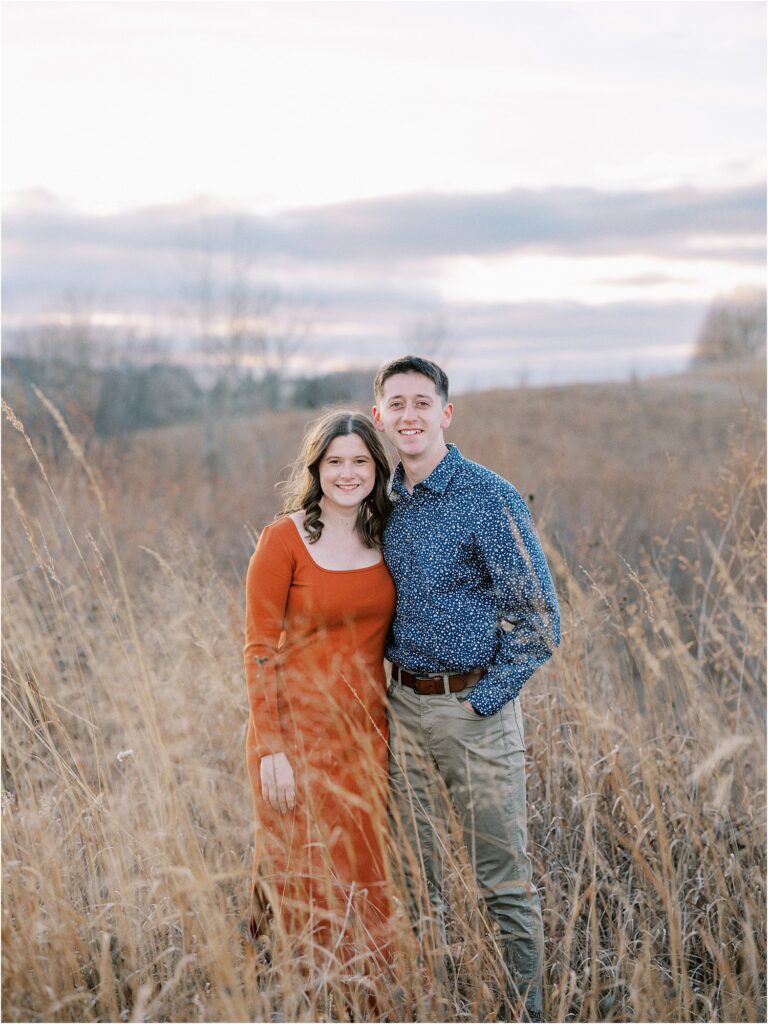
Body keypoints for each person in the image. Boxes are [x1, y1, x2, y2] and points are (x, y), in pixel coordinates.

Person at [372, 355, 560, 1022]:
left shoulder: (488, 496)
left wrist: (483, 699)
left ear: (445, 413)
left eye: (422, 403)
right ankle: (436, 1007)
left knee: (503, 884)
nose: (409, 415)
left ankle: (522, 1013)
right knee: (419, 885)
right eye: (396, 404)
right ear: (380, 417)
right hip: (402, 712)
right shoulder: (381, 502)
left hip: (476, 712)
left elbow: (541, 619)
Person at [243, 410, 395, 960]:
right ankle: (287, 992)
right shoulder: (282, 540)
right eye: (335, 462)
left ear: (377, 468)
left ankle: (364, 999)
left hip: (366, 736)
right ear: (317, 467)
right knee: (298, 874)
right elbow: (258, 650)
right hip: (295, 735)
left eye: (360, 461)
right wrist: (272, 750)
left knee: (365, 878)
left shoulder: (391, 535)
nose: (348, 473)